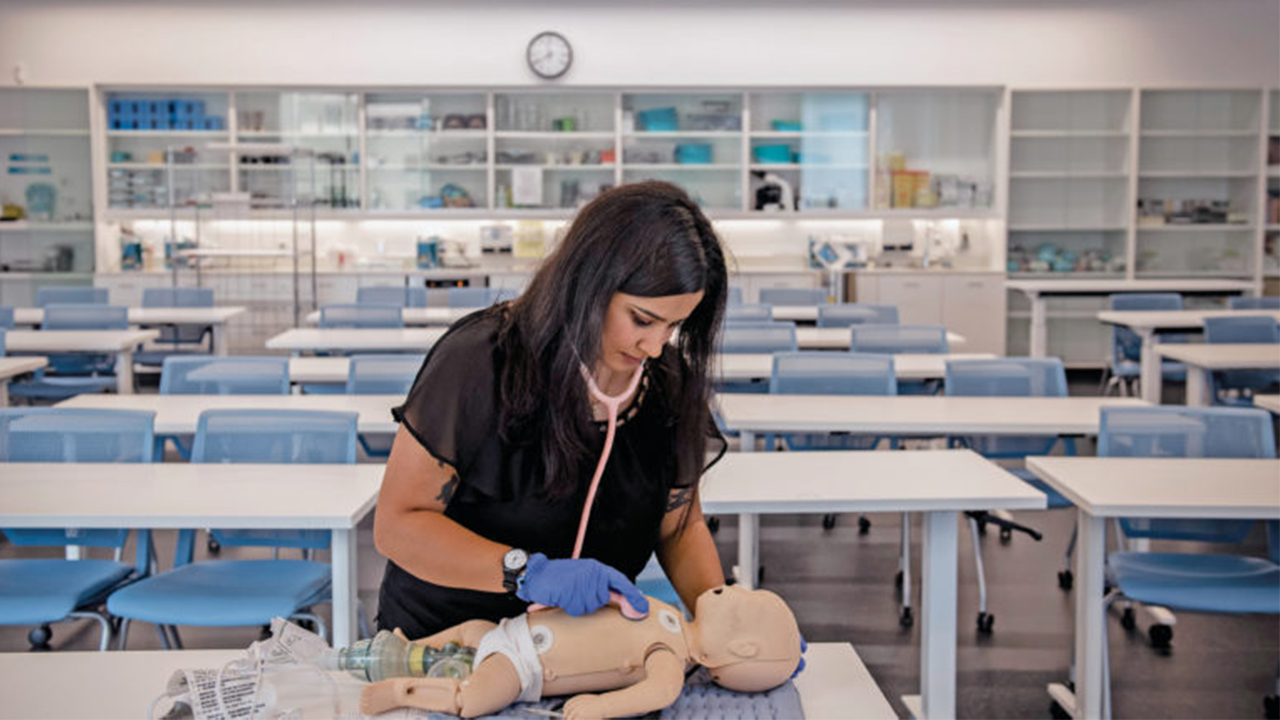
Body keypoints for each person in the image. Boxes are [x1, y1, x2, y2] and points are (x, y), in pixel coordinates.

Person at [374, 180, 729, 640]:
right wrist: (526, 573)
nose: (656, 346)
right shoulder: (482, 361)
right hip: (446, 643)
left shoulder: (667, 384)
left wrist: (724, 615)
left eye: (675, 326)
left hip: (578, 651)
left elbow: (679, 527)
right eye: (642, 319)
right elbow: (399, 525)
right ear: (588, 283)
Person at [358, 585, 803, 719]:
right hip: (515, 629)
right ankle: (411, 645)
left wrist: (598, 706)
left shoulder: (669, 658)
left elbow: (659, 694)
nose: (738, 589)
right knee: (475, 631)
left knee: (472, 699)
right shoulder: (667, 612)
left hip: (525, 665)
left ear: (742, 648)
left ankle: (402, 691)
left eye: (748, 602)